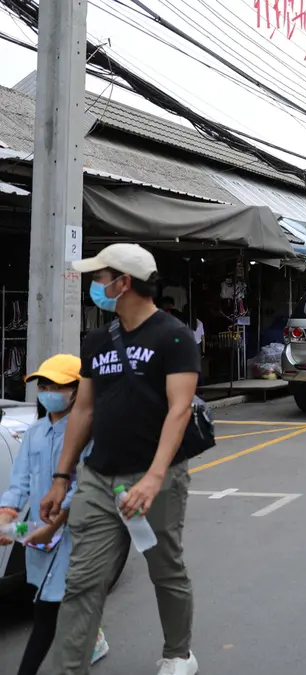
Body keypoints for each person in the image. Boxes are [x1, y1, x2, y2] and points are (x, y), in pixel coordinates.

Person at [40, 243, 202, 675]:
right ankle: (69, 667)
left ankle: (178, 654)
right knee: (83, 581)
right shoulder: (97, 340)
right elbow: (84, 410)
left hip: (157, 478)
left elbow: (179, 409)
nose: (95, 285)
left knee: (164, 569)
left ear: (123, 283)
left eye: (99, 277)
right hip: (99, 477)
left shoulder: (174, 336)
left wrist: (152, 478)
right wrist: (62, 475)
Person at [0, 355, 110, 675]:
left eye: (57, 386)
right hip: (39, 531)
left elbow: (84, 486)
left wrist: (58, 521)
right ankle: (94, 636)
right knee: (55, 596)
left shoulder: (89, 434)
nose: (48, 391)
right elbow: (19, 481)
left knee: (46, 611)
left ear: (78, 390)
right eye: (44, 385)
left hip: (74, 533)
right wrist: (7, 514)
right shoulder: (34, 432)